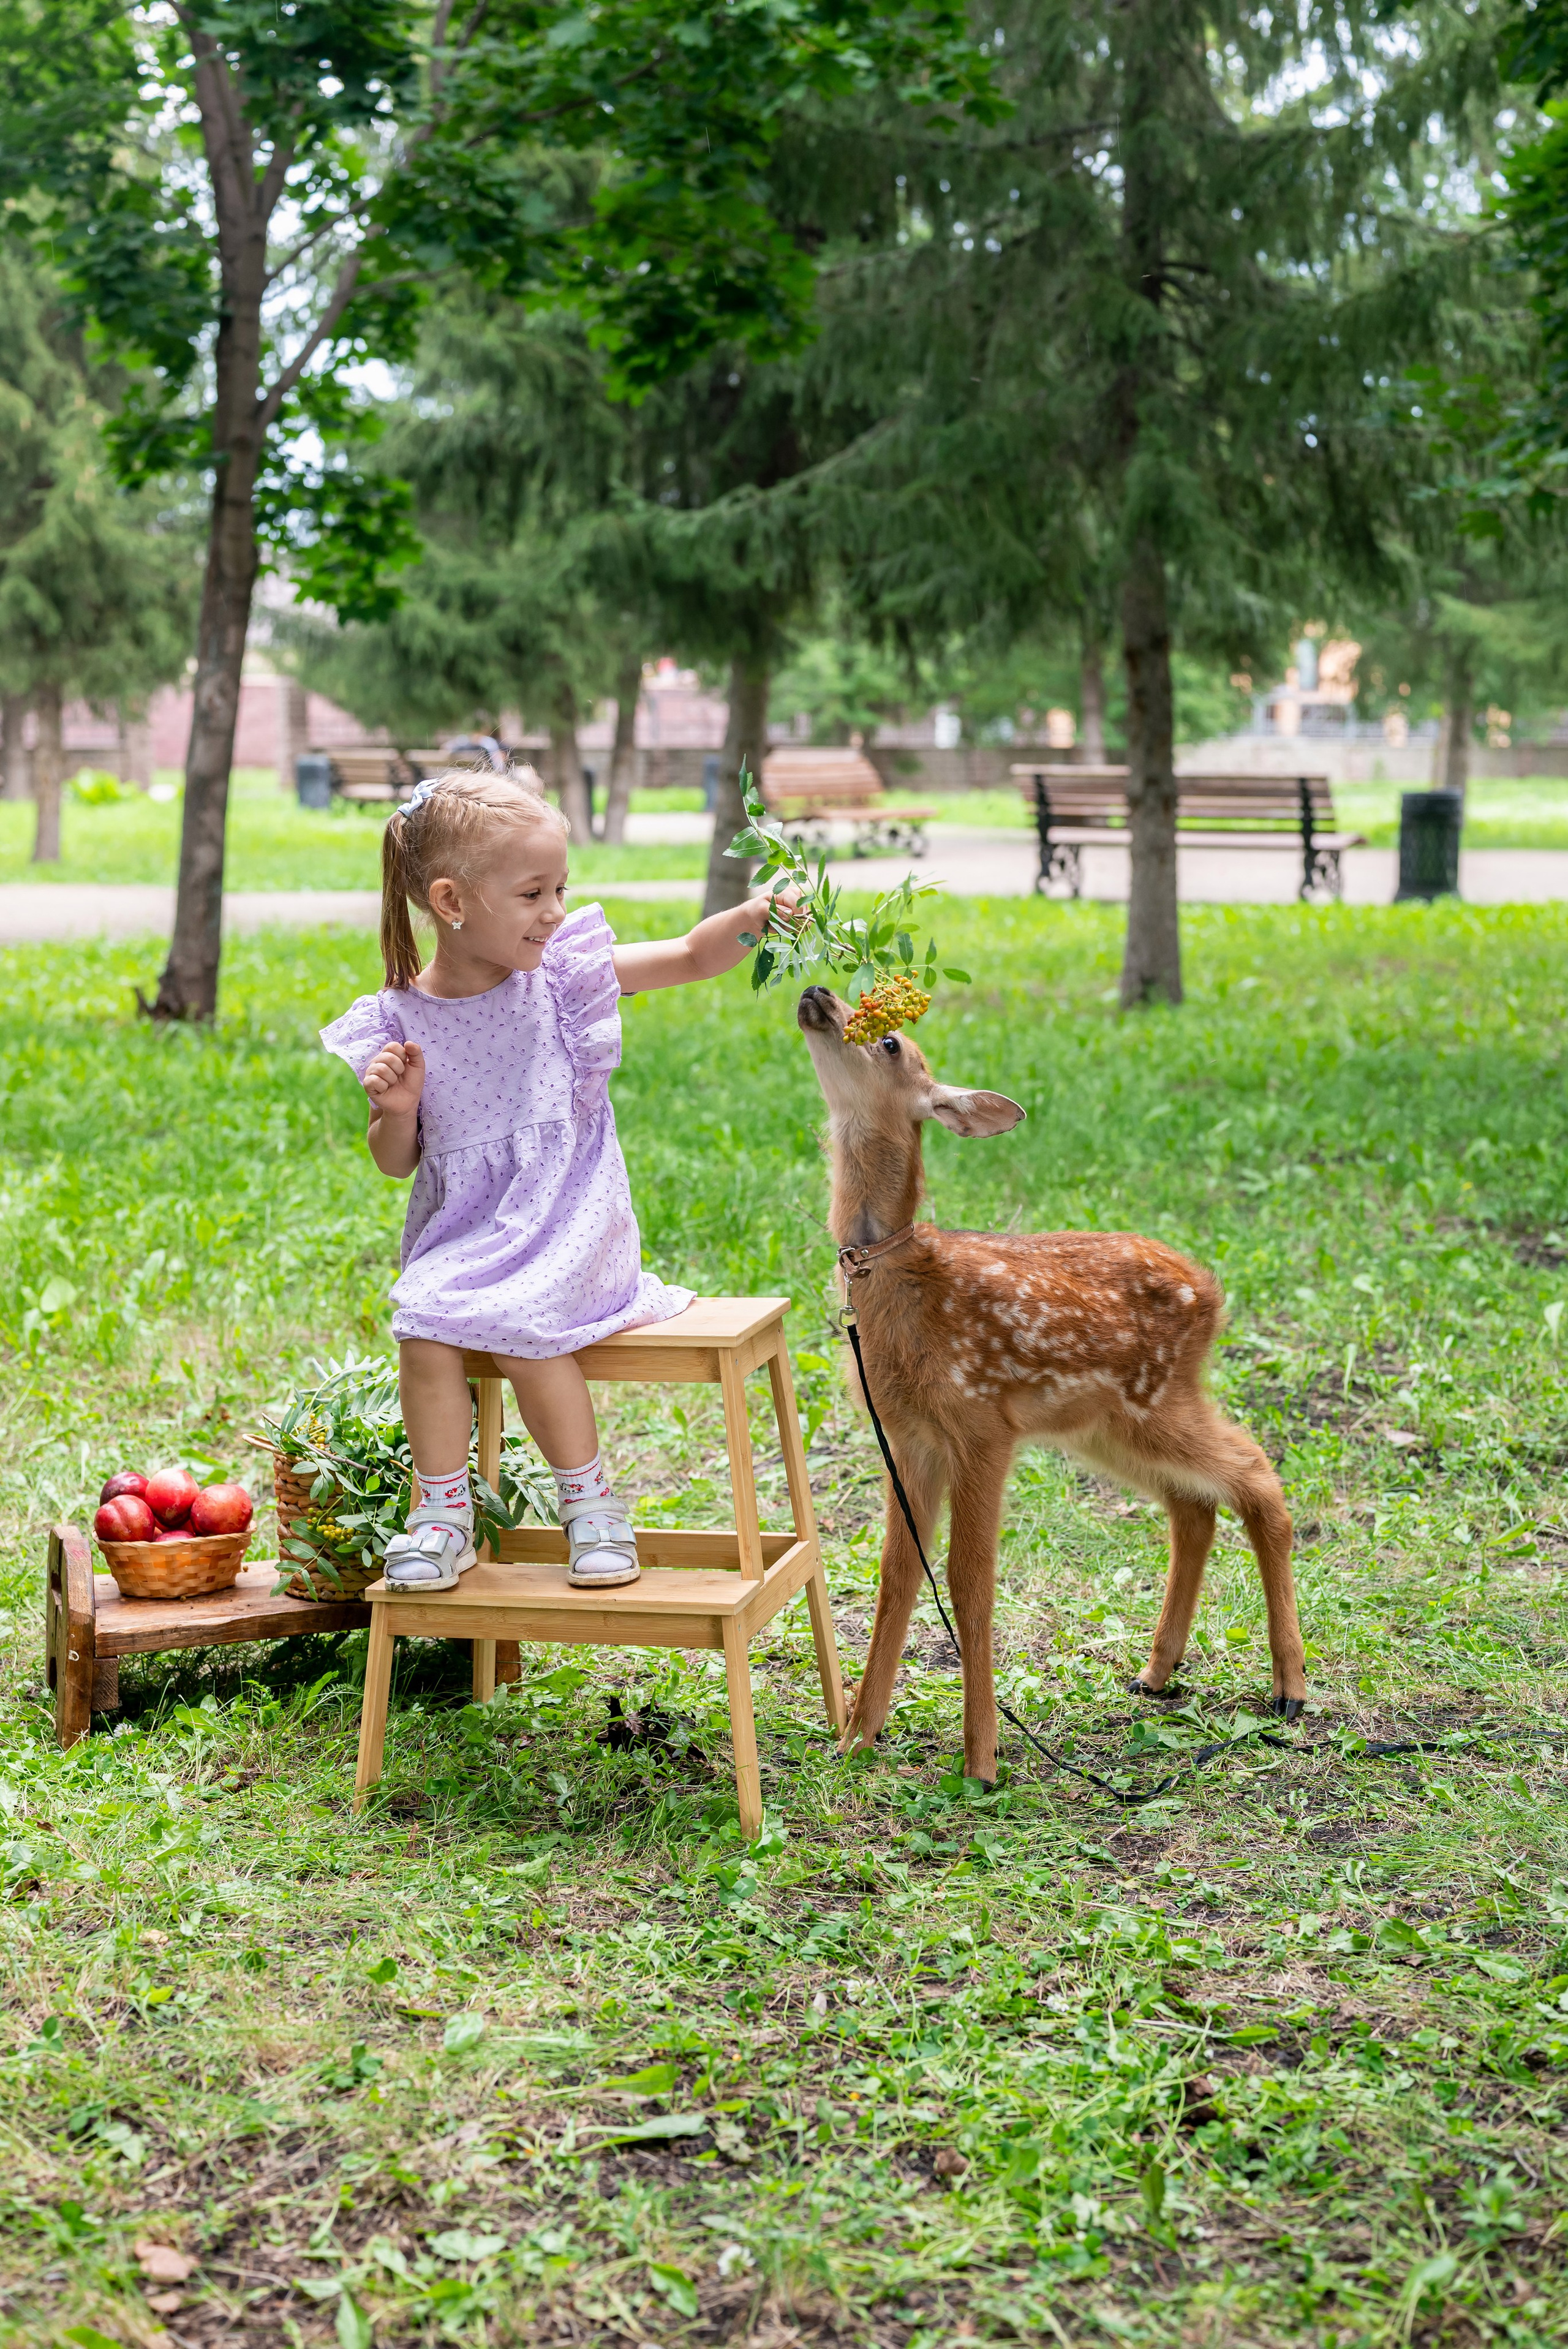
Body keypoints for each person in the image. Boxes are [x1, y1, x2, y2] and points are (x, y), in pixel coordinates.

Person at [320, 766, 785, 1595]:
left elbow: (685, 955)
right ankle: (442, 1513)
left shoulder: (560, 983)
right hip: (467, 1234)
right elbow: (398, 1163)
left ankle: (592, 1506)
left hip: (572, 1220)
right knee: (421, 1324)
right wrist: (396, 1110)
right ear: (452, 903)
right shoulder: (400, 1022)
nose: (557, 911)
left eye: (560, 888)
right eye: (534, 893)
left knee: (523, 1325)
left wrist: (751, 922)